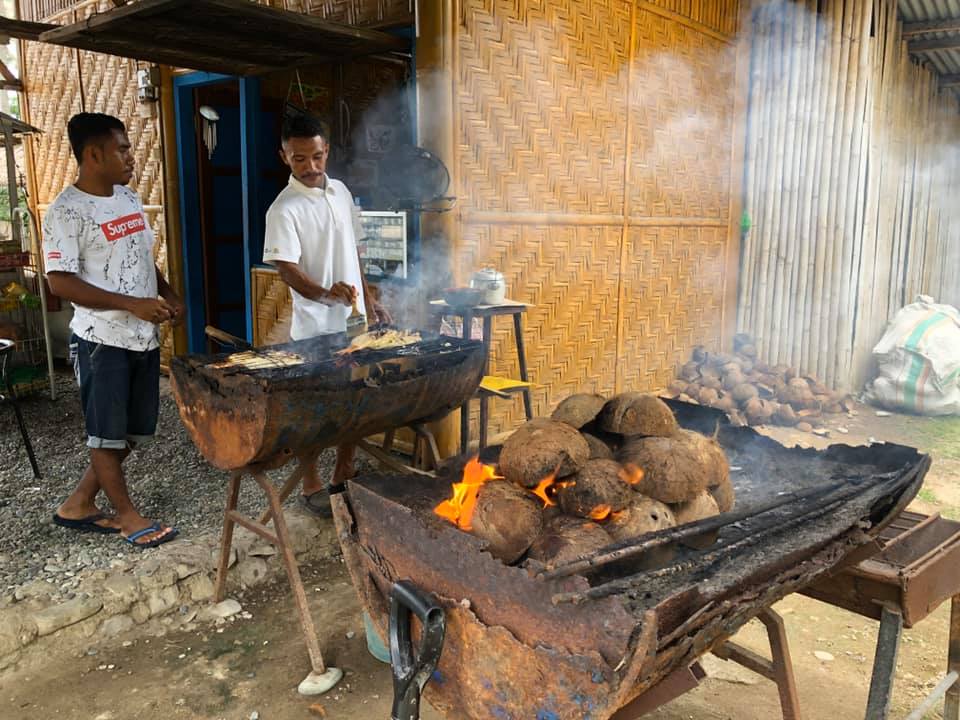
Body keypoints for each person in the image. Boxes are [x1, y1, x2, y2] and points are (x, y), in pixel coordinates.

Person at [43, 112, 183, 548]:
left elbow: (142, 255)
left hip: (141, 336)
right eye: (121, 148)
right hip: (101, 342)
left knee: (130, 432)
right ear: (93, 154)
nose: (130, 156)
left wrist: (166, 292)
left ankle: (79, 504)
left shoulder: (128, 199)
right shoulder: (66, 212)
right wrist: (131, 305)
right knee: (105, 434)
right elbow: (59, 282)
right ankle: (126, 516)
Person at [263, 113, 390, 516]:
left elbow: (354, 251)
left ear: (327, 151)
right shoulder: (283, 210)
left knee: (355, 400)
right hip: (315, 328)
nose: (311, 167)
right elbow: (288, 270)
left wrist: (370, 300)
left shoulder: (340, 192)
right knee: (315, 412)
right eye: (299, 159)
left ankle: (344, 471)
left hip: (354, 323)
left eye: (317, 157)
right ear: (284, 156)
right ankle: (312, 483)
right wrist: (325, 295)